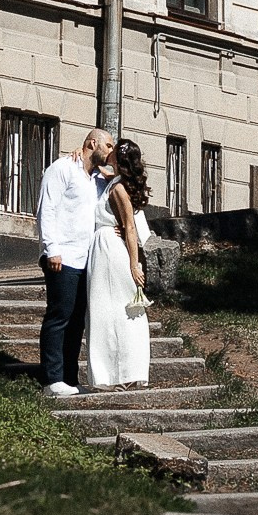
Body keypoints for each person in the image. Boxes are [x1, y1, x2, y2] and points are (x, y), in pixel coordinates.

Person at [34, 127, 105, 393]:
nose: (109, 152)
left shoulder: (95, 177)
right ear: (93, 142)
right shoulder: (62, 168)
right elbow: (46, 208)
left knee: (77, 320)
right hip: (62, 256)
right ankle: (52, 379)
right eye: (107, 146)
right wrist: (52, 248)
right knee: (59, 316)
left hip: (85, 259)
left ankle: (69, 378)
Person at [83, 136, 152, 392]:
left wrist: (135, 265)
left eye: (112, 148)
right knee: (102, 312)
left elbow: (130, 227)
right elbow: (94, 167)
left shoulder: (119, 188)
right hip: (101, 249)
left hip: (111, 252)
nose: (108, 150)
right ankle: (109, 372)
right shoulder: (112, 180)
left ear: (118, 158)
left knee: (115, 311)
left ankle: (124, 371)